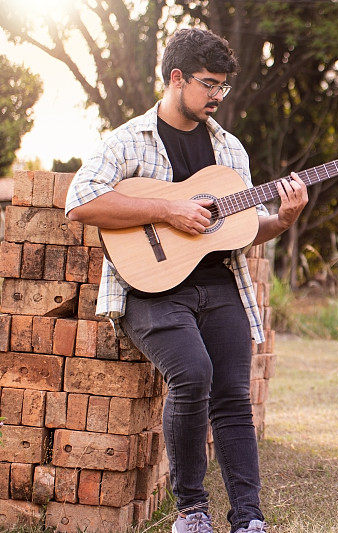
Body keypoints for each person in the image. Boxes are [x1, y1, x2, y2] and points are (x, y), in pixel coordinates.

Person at [65, 28, 308, 533]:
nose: (218, 96)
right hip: (150, 288)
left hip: (218, 285)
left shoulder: (230, 149)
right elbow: (80, 202)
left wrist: (282, 220)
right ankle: (192, 512)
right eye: (209, 84)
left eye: (223, 86)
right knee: (193, 373)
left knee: (233, 397)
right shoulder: (129, 139)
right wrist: (168, 209)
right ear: (177, 78)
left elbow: (242, 230)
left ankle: (249, 518)